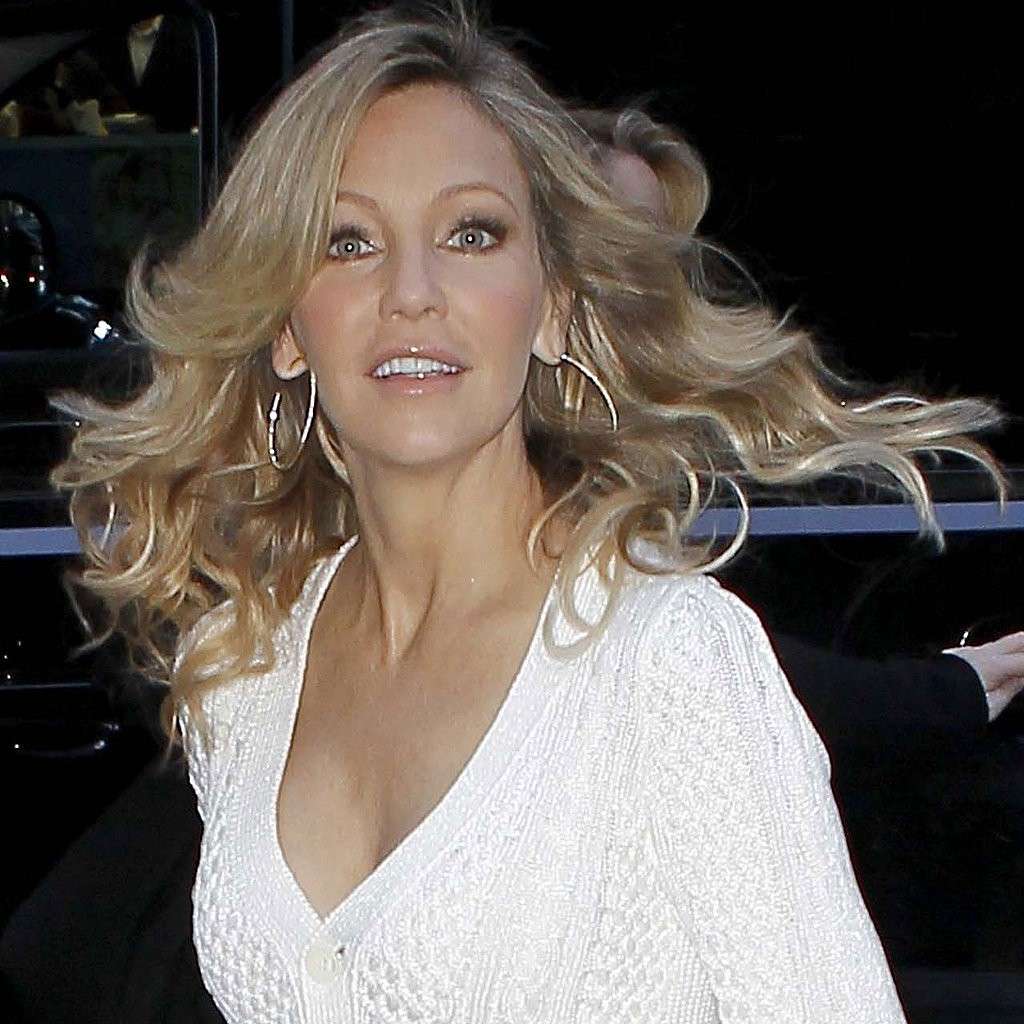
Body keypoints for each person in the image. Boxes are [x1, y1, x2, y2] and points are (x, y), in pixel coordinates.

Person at [46, 2, 1008, 1021]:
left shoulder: (665, 662)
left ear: (552, 304)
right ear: (287, 327)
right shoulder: (243, 673)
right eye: (348, 241)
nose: (412, 291)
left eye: (471, 233)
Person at [570, 103, 1024, 776]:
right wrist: (944, 692)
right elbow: (684, 665)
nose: (650, 285)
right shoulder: (516, 462)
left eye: (660, 253)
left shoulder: (698, 438)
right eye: (617, 246)